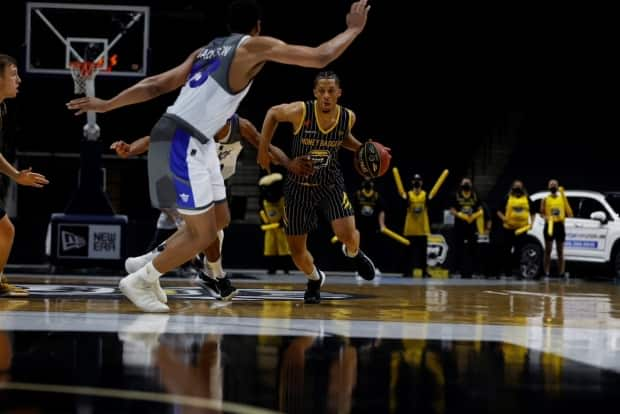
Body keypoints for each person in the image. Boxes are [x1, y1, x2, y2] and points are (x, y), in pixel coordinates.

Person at [67, 0, 370, 312]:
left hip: (194, 140)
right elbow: (321, 55)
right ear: (257, 27)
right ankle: (143, 277)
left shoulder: (205, 51)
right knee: (202, 234)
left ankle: (151, 263)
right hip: (182, 139)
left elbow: (156, 84)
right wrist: (353, 29)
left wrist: (107, 105)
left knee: (220, 220)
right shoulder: (253, 46)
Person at [110, 114, 303, 299]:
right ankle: (212, 277)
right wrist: (131, 148)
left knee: (214, 231)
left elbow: (266, 147)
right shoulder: (194, 122)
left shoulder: (240, 126)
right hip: (188, 179)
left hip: (216, 183)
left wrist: (288, 163)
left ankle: (156, 264)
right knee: (207, 231)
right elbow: (153, 139)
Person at [257, 70, 377, 304]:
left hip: (329, 183)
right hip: (298, 187)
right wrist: (263, 150)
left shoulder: (348, 117)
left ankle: (353, 253)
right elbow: (272, 113)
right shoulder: (301, 111)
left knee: (348, 235)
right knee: (297, 253)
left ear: (339, 93)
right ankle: (314, 278)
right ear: (315, 93)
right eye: (321, 91)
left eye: (331, 91)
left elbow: (341, 138)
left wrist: (363, 148)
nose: (326, 95)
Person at [0, 54, 49, 297]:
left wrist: (16, 175)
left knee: (5, 230)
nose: (18, 80)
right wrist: (15, 175)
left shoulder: (2, 107)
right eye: (12, 74)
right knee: (6, 230)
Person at [496, 180, 535, 278]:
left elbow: (533, 212)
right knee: (506, 250)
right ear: (512, 187)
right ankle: (507, 272)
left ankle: (518, 272)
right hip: (508, 229)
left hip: (521, 230)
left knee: (519, 250)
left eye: (519, 186)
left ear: (523, 188)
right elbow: (498, 211)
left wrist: (532, 224)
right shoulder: (507, 198)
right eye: (516, 186)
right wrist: (504, 219)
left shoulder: (527, 199)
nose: (518, 188)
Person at [448, 178, 482, 278]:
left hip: (471, 226)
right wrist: (461, 215)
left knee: (473, 249)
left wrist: (473, 217)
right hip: (459, 226)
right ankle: (455, 271)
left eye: (468, 183)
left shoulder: (475, 196)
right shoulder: (456, 195)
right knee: (457, 248)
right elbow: (451, 210)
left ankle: (474, 271)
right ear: (461, 185)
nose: (466, 184)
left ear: (471, 184)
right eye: (464, 183)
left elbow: (480, 210)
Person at [540, 179, 572, 278]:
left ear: (558, 187)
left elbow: (569, 213)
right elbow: (541, 213)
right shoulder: (545, 199)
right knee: (548, 250)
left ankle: (561, 273)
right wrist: (546, 217)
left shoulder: (562, 199)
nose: (553, 186)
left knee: (560, 251)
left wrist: (563, 217)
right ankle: (546, 272)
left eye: (555, 184)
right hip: (549, 225)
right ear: (548, 187)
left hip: (559, 225)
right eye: (551, 184)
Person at [352, 178, 385, 272]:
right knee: (359, 249)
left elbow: (381, 211)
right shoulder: (358, 195)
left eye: (369, 182)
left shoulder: (376, 195)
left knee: (374, 248)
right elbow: (351, 211)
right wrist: (352, 225)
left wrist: (382, 225)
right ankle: (360, 270)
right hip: (360, 227)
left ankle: (375, 268)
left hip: (373, 227)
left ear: (372, 184)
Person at [402, 174, 432, 278]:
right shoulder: (408, 194)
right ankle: (407, 271)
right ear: (412, 182)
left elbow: (429, 206)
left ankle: (424, 272)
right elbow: (404, 205)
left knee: (423, 254)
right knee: (408, 253)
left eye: (418, 180)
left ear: (422, 182)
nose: (417, 182)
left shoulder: (426, 194)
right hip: (410, 228)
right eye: (415, 180)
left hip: (422, 229)